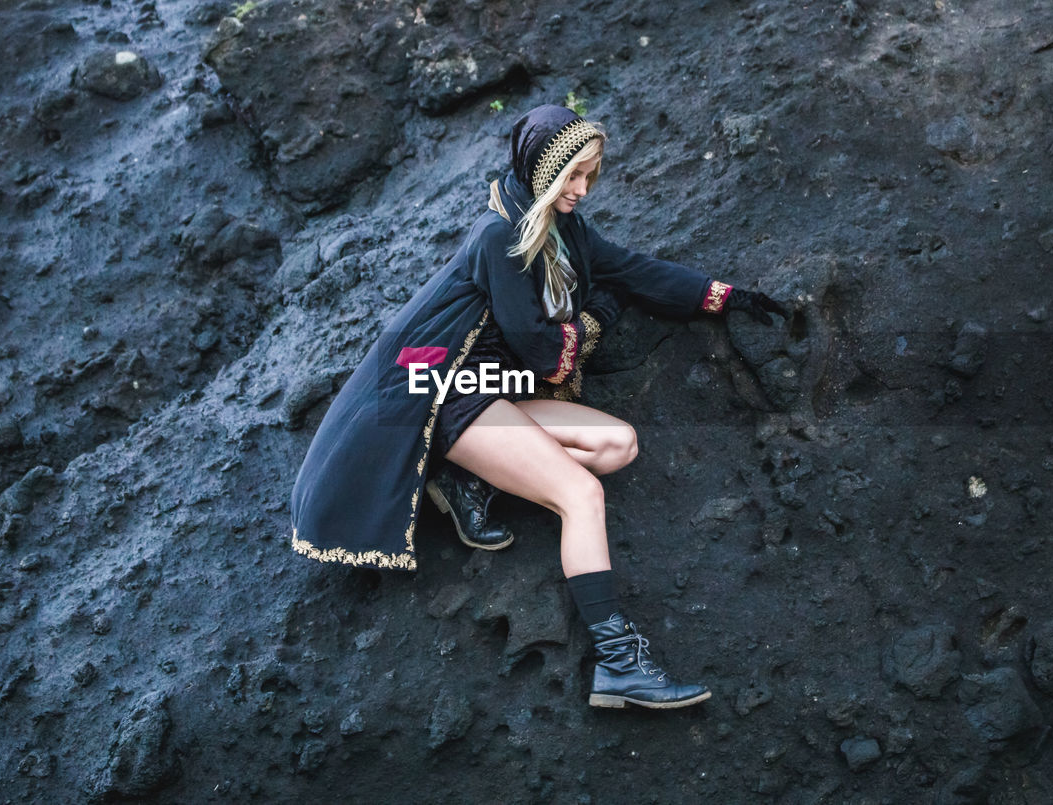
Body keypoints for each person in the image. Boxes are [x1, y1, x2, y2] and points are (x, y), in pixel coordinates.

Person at [291, 104, 790, 709]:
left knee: (617, 444)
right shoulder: (499, 236)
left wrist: (726, 298)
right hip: (449, 393)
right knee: (580, 494)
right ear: (542, 170)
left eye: (590, 175)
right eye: (572, 176)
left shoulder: (563, 225)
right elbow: (538, 347)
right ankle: (618, 666)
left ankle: (465, 475)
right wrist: (596, 316)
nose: (581, 190)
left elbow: (630, 269)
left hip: (493, 390)